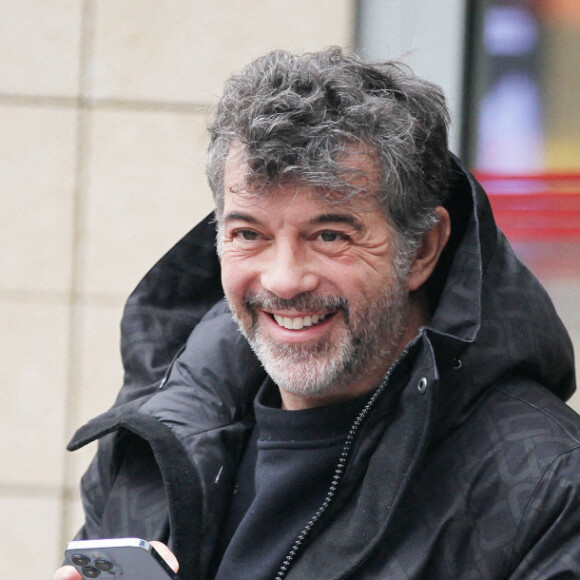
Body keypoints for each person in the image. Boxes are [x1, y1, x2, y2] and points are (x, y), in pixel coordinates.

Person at [54, 47, 580, 580]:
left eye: (330, 235)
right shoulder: (156, 444)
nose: (284, 280)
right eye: (248, 234)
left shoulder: (548, 488)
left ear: (421, 249)